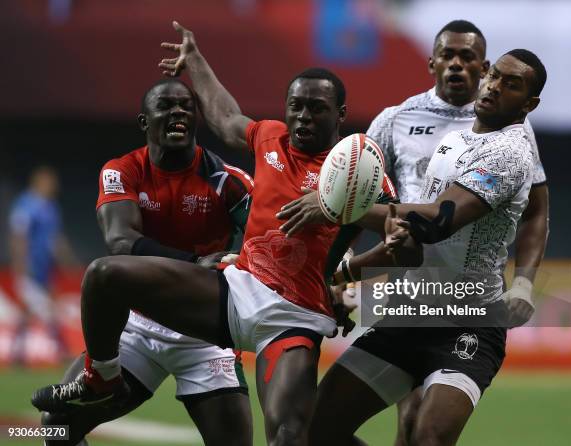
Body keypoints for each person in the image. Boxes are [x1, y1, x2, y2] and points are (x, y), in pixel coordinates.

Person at [31, 22, 397, 446]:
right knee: (102, 276)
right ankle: (102, 380)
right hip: (236, 293)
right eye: (296, 105)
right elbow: (224, 116)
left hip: (293, 317)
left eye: (316, 107)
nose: (303, 116)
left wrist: (340, 218)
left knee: (289, 436)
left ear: (340, 114)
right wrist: (196, 61)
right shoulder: (271, 138)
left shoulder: (357, 171)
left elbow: (402, 233)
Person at [304, 49, 548, 446]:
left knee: (427, 437)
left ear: (529, 104)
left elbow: (436, 220)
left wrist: (343, 204)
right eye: (496, 76)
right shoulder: (455, 141)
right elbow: (413, 237)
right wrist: (346, 274)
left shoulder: (511, 153)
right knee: (313, 431)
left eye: (512, 84)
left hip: (467, 321)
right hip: (408, 313)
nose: (495, 86)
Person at [41, 78, 254, 446]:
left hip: (205, 335)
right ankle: (104, 374)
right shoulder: (122, 171)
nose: (178, 112)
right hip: (139, 326)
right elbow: (120, 242)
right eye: (167, 106)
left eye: (187, 106)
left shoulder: (227, 181)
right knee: (56, 424)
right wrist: (196, 263)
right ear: (144, 122)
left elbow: (270, 234)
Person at [8, 166, 78, 362]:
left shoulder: (51, 207)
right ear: (39, 182)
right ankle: (63, 351)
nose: (54, 186)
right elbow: (18, 236)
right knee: (48, 310)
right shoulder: (26, 204)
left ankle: (16, 355)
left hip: (45, 269)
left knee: (27, 313)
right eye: (50, 182)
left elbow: (55, 239)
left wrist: (67, 261)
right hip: (30, 268)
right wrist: (20, 264)